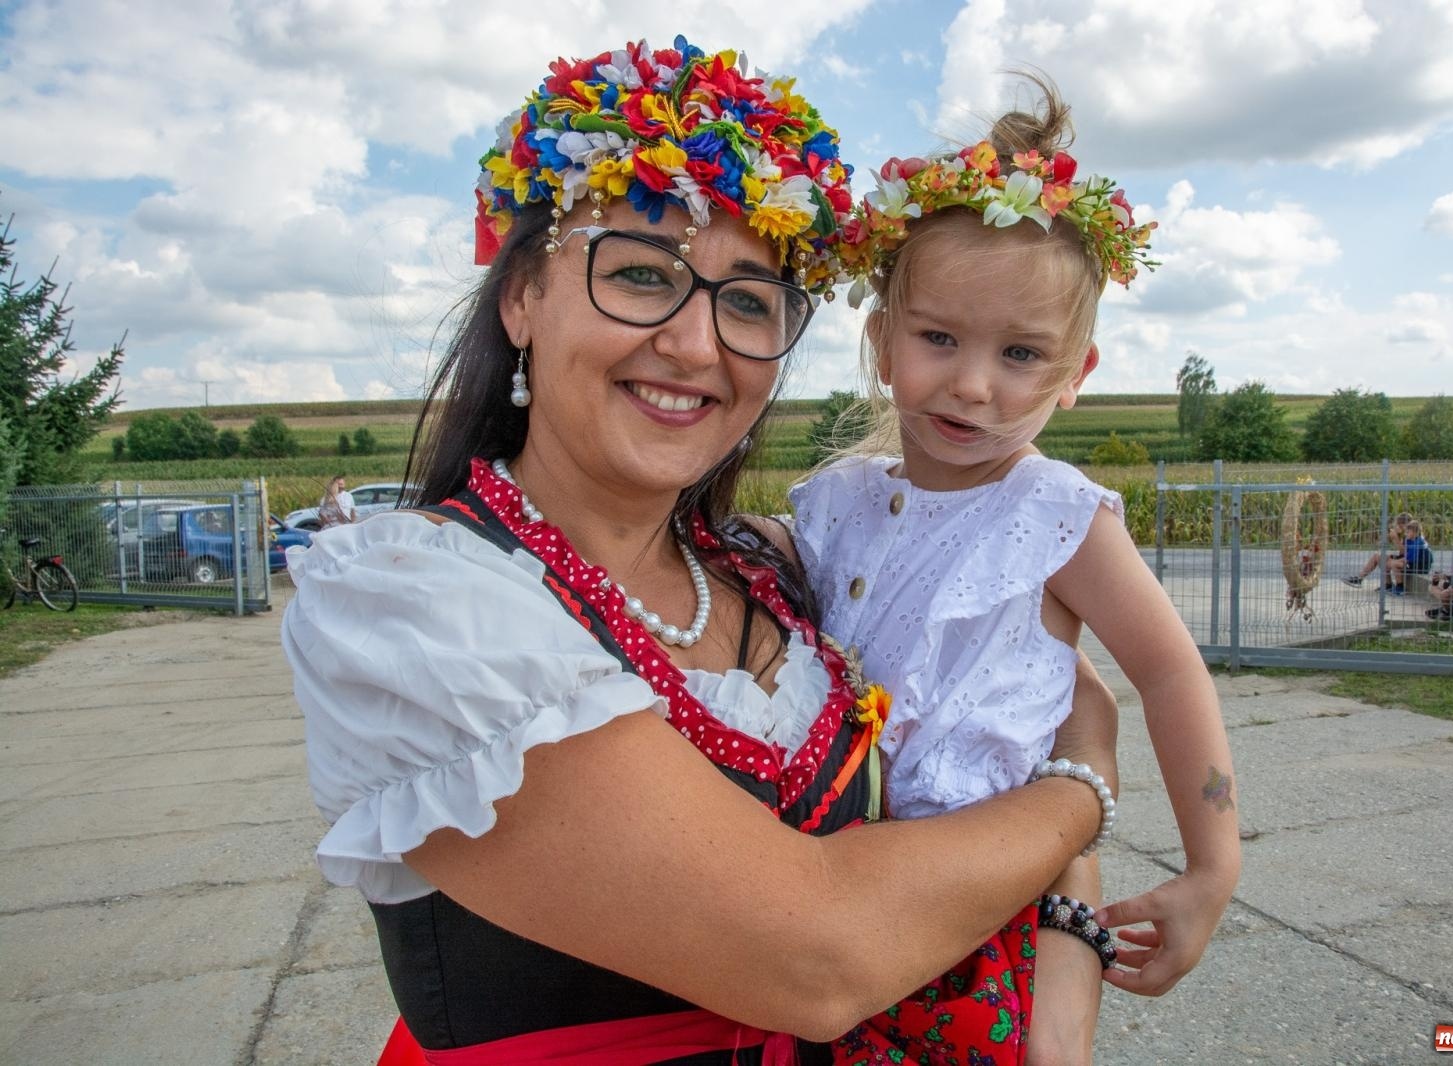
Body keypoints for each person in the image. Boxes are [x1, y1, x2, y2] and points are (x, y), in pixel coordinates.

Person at [281, 37, 1120, 1066]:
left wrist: (1066, 978)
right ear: (520, 300)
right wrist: (1085, 785)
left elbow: (1026, 711)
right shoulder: (416, 602)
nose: (694, 343)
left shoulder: (776, 569)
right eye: (639, 272)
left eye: (746, 300)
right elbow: (820, 956)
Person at [792, 81, 1241, 1065]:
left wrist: (1212, 867)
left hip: (986, 913)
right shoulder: (833, 503)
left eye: (1021, 353)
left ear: (1075, 374)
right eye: (938, 337)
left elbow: (1167, 672)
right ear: (880, 340)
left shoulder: (1056, 517)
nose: (971, 382)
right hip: (824, 887)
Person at [1344, 514, 1430, 594]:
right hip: (1408, 560)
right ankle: (1360, 579)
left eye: (1399, 525)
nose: (1398, 527)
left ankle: (1398, 587)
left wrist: (1395, 539)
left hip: (1416, 564)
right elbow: (1403, 553)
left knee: (1388, 561)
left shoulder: (1416, 539)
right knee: (1377, 556)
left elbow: (1405, 553)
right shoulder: (1408, 537)